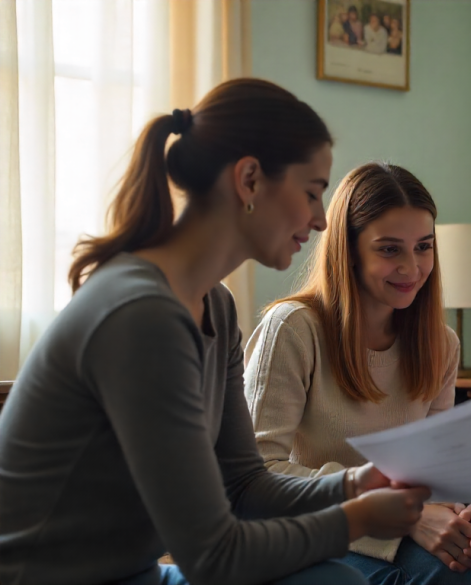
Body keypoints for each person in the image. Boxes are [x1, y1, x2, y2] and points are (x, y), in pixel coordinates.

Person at [0, 79, 432, 585]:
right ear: (249, 180)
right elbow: (213, 557)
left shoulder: (216, 307)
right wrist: (354, 520)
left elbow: (244, 485)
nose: (320, 220)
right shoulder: (142, 315)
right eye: (312, 192)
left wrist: (355, 484)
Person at [245, 162, 471, 585]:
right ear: (348, 249)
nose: (412, 267)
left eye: (423, 247)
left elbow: (437, 469)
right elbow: (258, 475)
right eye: (389, 249)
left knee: (467, 561)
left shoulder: (442, 343)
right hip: (307, 529)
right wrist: (399, 515)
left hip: (397, 523)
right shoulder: (292, 329)